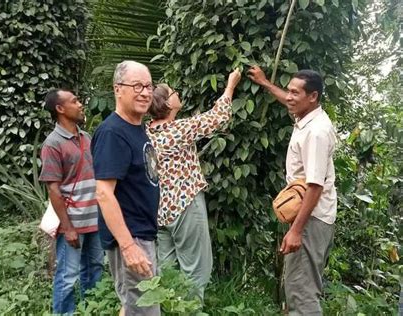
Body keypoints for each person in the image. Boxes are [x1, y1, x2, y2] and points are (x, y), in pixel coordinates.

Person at [146, 68, 242, 302]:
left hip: (159, 211)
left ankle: (168, 309)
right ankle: (191, 309)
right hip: (184, 205)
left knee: (167, 271)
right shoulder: (177, 130)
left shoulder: (147, 132)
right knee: (196, 270)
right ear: (167, 104)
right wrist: (231, 85)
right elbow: (217, 118)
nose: (177, 94)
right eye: (173, 92)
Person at [248, 65, 337, 315]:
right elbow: (288, 102)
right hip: (310, 218)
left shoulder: (317, 132)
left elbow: (315, 185)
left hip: (311, 220)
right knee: (299, 287)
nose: (289, 97)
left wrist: (296, 231)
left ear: (313, 97)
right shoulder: (308, 119)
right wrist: (265, 83)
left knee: (302, 293)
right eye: (288, 91)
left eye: (295, 93)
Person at [91, 60, 160, 316]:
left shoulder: (136, 128)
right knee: (144, 310)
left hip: (142, 234)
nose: (145, 92)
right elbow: (103, 192)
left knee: (132, 307)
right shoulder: (113, 132)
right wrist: (128, 246)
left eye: (149, 86)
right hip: (131, 238)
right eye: (137, 85)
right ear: (118, 89)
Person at [39, 89, 103, 315]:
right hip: (72, 225)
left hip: (94, 220)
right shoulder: (52, 144)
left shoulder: (86, 137)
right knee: (67, 277)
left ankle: (91, 310)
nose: (80, 104)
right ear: (60, 109)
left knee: (94, 269)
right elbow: (53, 189)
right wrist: (68, 228)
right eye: (74, 101)